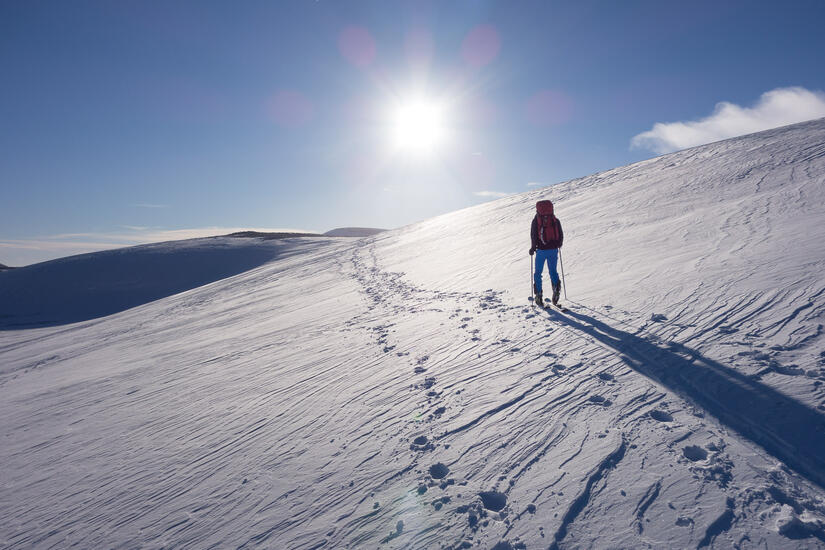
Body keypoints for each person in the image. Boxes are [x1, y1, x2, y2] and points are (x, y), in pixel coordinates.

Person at [529, 199, 564, 306]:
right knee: (553, 271)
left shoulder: (536, 221)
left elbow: (534, 235)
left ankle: (538, 295)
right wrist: (558, 244)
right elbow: (561, 234)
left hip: (541, 250)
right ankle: (556, 288)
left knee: (538, 273)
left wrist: (532, 248)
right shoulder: (555, 220)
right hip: (553, 249)